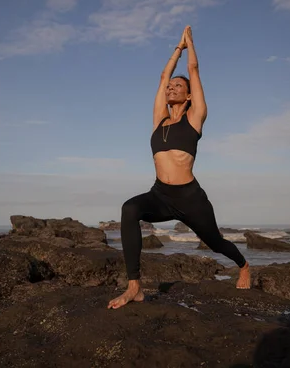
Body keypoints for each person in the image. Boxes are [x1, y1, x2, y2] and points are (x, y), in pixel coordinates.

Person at [107, 26, 251, 310]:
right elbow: (162, 78)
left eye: (178, 87)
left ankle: (244, 265)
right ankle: (134, 286)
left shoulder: (195, 118)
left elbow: (194, 71)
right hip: (160, 195)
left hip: (190, 197)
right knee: (129, 209)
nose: (172, 88)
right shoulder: (159, 120)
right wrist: (175, 49)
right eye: (170, 87)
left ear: (187, 97)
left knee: (215, 241)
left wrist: (190, 46)